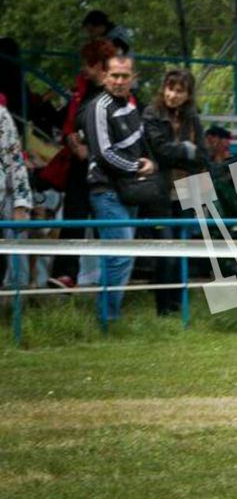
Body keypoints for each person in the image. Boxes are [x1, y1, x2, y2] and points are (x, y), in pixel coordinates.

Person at [82, 55, 156, 321]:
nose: (119, 81)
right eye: (114, 75)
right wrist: (139, 166)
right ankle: (107, 319)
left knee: (120, 257)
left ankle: (108, 317)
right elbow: (103, 154)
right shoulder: (98, 107)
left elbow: (140, 144)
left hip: (128, 192)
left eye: (125, 76)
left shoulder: (131, 106)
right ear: (104, 77)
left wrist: (150, 163)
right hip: (107, 191)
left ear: (133, 78)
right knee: (120, 257)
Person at [48, 39, 119, 289]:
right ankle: (66, 274)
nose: (83, 69)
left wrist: (90, 151)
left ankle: (112, 281)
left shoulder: (116, 93)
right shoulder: (81, 90)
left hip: (104, 172)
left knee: (105, 225)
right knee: (73, 219)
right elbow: (68, 120)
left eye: (87, 64)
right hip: (78, 169)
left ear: (99, 65)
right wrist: (70, 138)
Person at [142, 69, 208, 316]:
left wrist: (184, 152)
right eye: (170, 89)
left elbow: (202, 155)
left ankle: (178, 308)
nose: (173, 95)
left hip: (187, 192)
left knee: (183, 252)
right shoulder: (151, 113)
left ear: (188, 94)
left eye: (179, 91)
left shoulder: (193, 119)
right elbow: (159, 150)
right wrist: (185, 150)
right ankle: (163, 309)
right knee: (165, 254)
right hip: (159, 193)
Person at [0, 103, 32, 289]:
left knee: (17, 260)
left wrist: (20, 203)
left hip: (6, 197)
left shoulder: (1, 114)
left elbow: (15, 159)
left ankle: (17, 308)